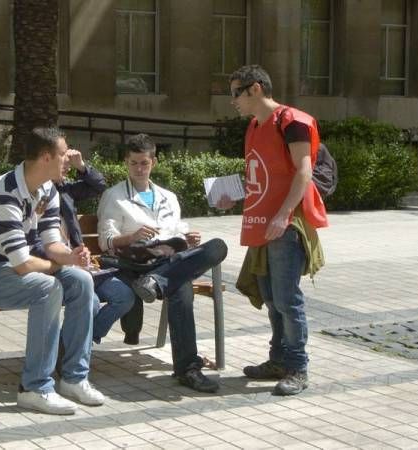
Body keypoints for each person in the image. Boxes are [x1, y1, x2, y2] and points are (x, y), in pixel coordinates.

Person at [0, 127, 105, 415]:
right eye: (63, 154)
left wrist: (72, 257)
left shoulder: (48, 189)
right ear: (46, 157)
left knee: (81, 280)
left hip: (18, 269)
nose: (69, 159)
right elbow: (23, 264)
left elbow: (51, 243)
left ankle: (74, 379)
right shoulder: (4, 193)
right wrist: (58, 265)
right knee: (48, 288)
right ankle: (35, 388)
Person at [217, 64, 328, 396]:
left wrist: (282, 216)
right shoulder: (254, 126)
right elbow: (259, 175)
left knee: (286, 299)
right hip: (261, 225)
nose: (232, 101)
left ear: (255, 89)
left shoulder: (291, 121)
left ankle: (297, 367)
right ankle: (278, 359)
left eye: (236, 93)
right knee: (270, 297)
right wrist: (231, 199)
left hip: (285, 225)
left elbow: (303, 172)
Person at [97, 133, 228, 393]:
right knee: (181, 289)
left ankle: (186, 369)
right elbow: (106, 240)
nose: (139, 168)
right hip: (135, 266)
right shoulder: (114, 196)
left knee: (216, 247)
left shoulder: (168, 197)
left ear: (153, 162)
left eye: (144, 163)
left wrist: (188, 239)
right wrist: (132, 236)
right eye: (134, 163)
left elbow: (177, 231)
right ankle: (188, 367)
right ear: (126, 162)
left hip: (167, 263)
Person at [30, 148, 135, 344]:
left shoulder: (66, 190)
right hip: (52, 266)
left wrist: (82, 166)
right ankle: (73, 351)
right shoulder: (32, 195)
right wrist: (65, 260)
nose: (67, 167)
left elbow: (99, 186)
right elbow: (32, 243)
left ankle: (71, 344)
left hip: (80, 264)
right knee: (92, 302)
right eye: (63, 161)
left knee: (124, 296)